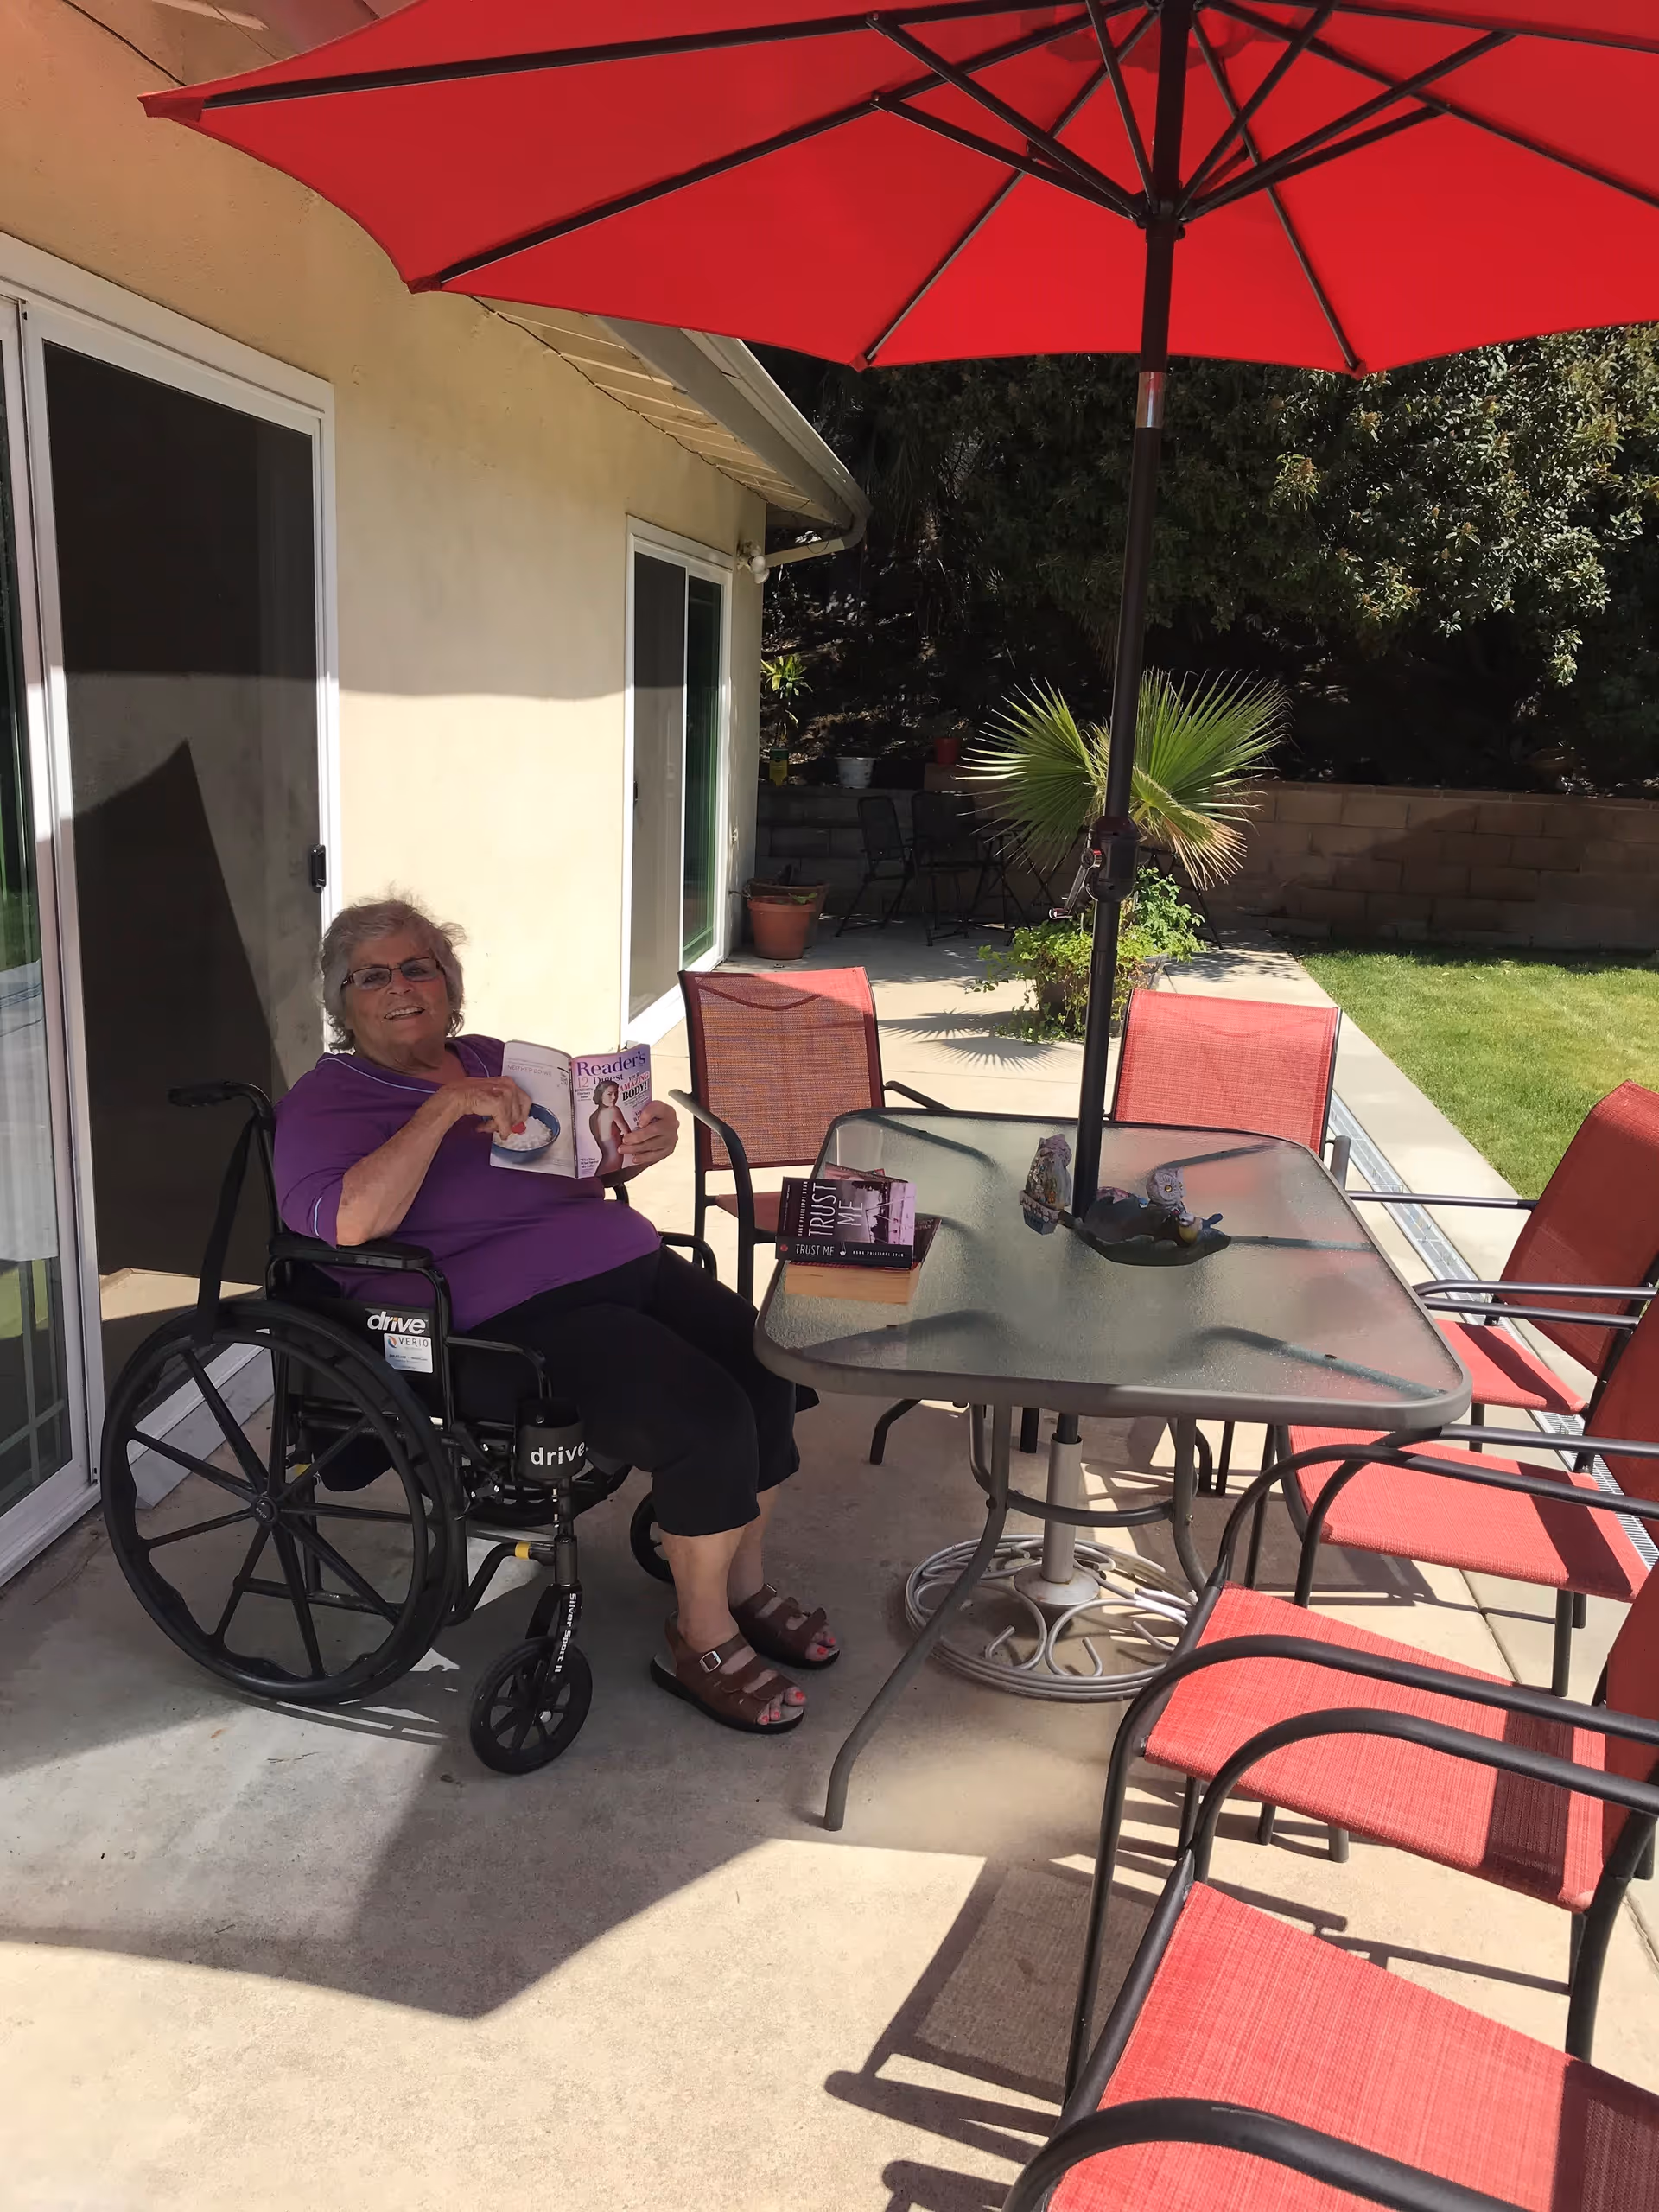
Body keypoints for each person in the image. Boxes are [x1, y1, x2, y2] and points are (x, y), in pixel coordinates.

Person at [273, 895, 836, 1734]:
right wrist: (441, 1110)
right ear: (342, 1000)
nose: (400, 985)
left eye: (419, 965)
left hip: (619, 1258)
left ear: (449, 984)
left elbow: (586, 1157)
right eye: (373, 974)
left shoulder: (499, 1058)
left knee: (767, 1365)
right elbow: (347, 1222)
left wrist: (646, 1138)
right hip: (499, 1317)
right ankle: (700, 1637)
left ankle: (743, 1587)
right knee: (704, 1415)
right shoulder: (325, 1102)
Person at [587, 1078, 632, 1176]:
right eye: (609, 1094)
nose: (614, 1097)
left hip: (603, 1168)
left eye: (616, 1093)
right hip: (614, 1166)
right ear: (600, 1095)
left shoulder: (592, 1117)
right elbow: (629, 1137)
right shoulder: (613, 1111)